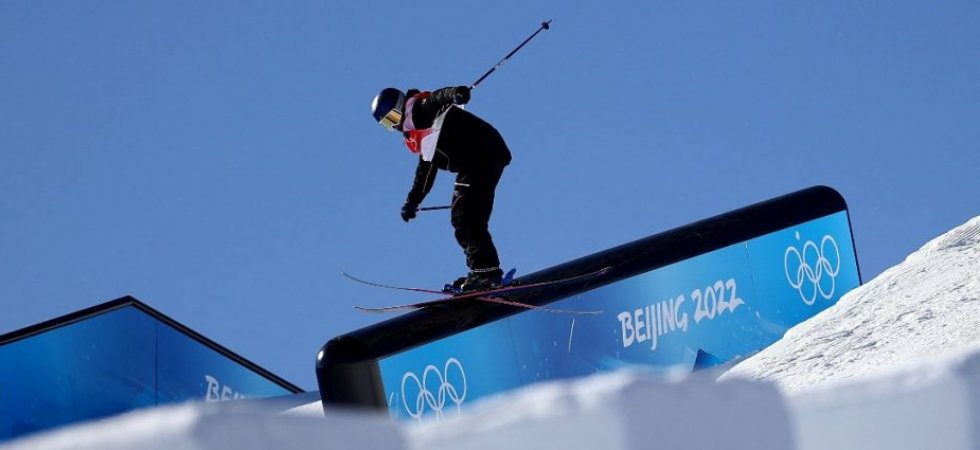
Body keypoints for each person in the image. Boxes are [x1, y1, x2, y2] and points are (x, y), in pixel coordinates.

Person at [371, 86, 512, 292]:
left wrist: (455, 93)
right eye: (387, 123)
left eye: (393, 116)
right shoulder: (419, 134)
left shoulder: (419, 109)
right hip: (481, 159)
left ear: (401, 106)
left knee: (465, 218)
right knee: (467, 218)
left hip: (482, 156)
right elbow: (425, 171)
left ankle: (486, 273)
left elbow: (437, 98)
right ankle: (482, 271)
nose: (394, 125)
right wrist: (413, 201)